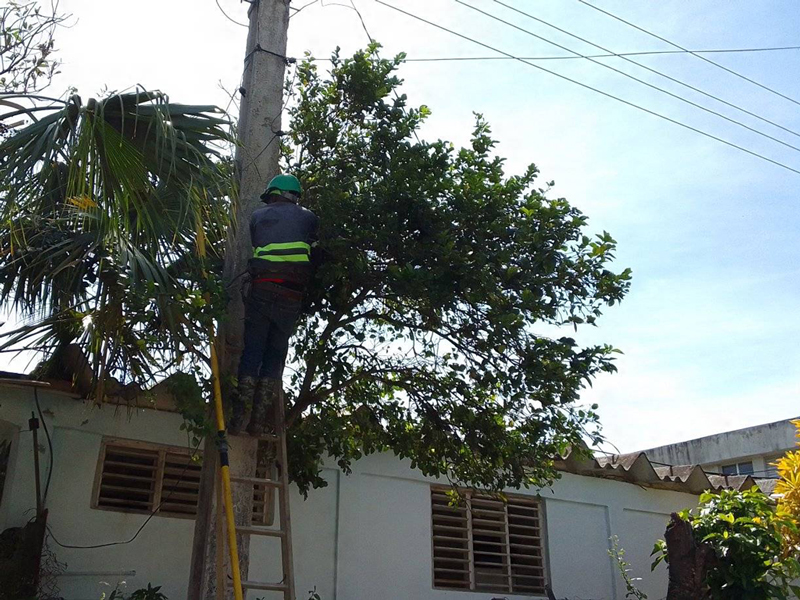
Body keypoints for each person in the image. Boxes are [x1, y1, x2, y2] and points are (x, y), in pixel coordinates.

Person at [228, 174, 319, 436]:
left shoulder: (257, 216)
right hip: (292, 295)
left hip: (262, 289)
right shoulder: (309, 217)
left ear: (273, 194)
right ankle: (258, 423)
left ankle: (239, 417)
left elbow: (259, 243)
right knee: (275, 354)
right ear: (295, 195)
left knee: (252, 351)